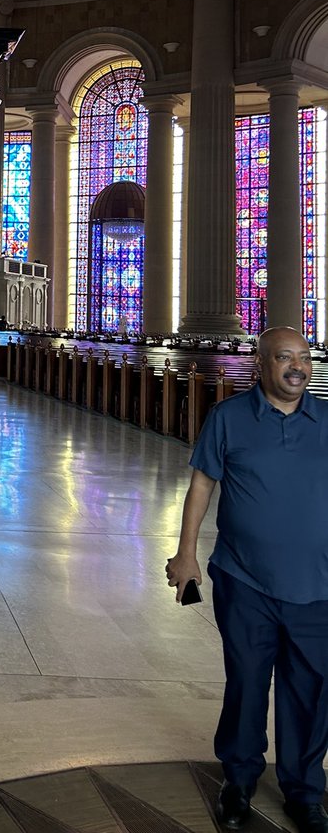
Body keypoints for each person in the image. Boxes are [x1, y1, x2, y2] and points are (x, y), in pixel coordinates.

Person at [166, 327, 328, 833]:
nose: (297, 367)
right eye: (284, 358)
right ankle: (238, 782)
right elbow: (202, 485)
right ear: (260, 364)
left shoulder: (326, 419)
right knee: (247, 685)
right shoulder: (228, 418)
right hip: (245, 580)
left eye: (304, 357)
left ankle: (304, 792)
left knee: (311, 691)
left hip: (318, 587)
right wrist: (186, 553)